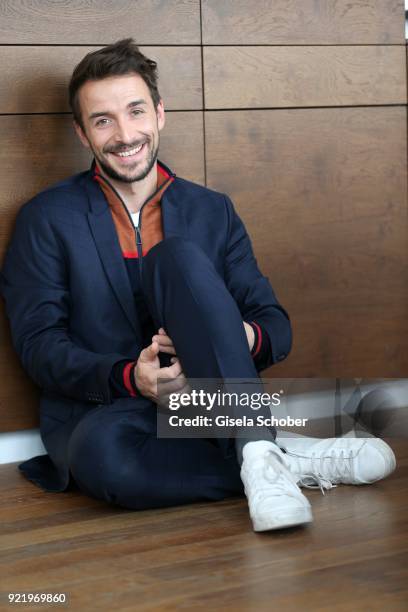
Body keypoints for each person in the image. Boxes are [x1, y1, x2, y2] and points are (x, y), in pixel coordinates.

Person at [0, 39, 396, 532]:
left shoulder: (213, 211)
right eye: (103, 120)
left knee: (177, 257)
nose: (125, 135)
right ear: (82, 134)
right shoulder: (46, 219)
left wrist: (231, 334)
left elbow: (275, 326)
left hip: (209, 406)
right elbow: (39, 346)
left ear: (160, 113)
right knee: (105, 461)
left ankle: (252, 446)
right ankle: (276, 456)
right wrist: (131, 377)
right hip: (110, 416)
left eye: (136, 111)